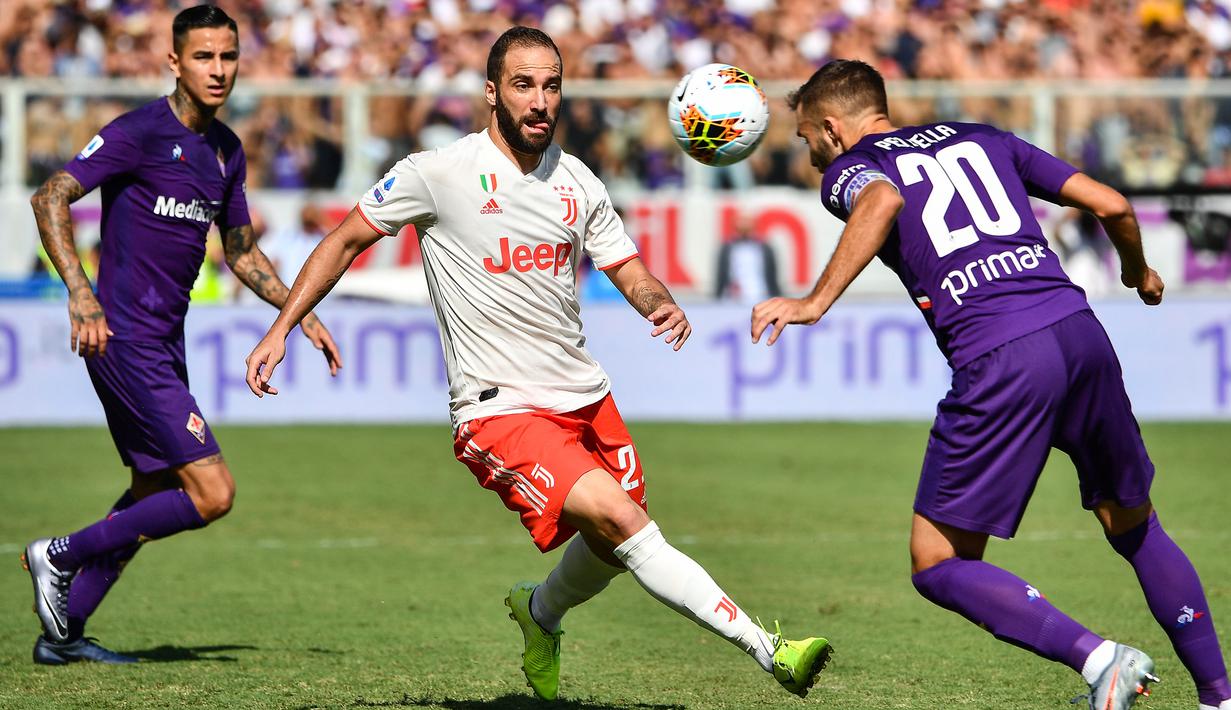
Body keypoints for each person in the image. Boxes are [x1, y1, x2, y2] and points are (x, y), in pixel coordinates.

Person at [244, 26, 830, 701]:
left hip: (585, 396)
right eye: (523, 84)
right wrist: (282, 325)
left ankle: (540, 612)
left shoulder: (575, 180)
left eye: (551, 85)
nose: (540, 100)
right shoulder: (436, 173)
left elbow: (628, 266)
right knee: (624, 522)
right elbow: (344, 239)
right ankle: (769, 651)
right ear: (492, 92)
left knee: (613, 542)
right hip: (498, 409)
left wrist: (655, 301)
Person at [751, 58, 1231, 710]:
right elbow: (1112, 204)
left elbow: (882, 199)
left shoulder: (851, 168)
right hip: (1078, 332)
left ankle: (1099, 661)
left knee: (938, 561)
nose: (810, 156)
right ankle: (1218, 696)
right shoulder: (982, 137)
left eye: (807, 139)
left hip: (1002, 355)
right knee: (1134, 524)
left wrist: (812, 302)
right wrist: (1137, 272)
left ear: (832, 127)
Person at [23, 5, 340, 665]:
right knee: (212, 493)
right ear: (174, 61)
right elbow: (50, 196)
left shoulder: (225, 151)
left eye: (227, 56)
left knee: (154, 494)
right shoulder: (139, 132)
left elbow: (244, 255)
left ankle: (64, 635)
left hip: (166, 341)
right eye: (203, 56)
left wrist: (298, 313)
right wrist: (82, 297)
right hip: (124, 337)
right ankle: (57, 555)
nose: (218, 70)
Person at [714, 215, 782, 303]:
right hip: (733, 298)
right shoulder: (727, 248)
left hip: (761, 295)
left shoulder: (764, 248)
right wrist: (718, 295)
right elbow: (722, 274)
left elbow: (772, 274)